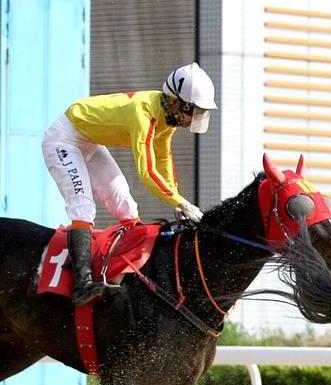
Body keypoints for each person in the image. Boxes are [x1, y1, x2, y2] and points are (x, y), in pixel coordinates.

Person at [41, 63, 217, 307]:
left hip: (89, 141)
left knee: (126, 205)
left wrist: (176, 199)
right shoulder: (143, 113)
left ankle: (130, 274)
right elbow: (147, 173)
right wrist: (182, 202)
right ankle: (81, 284)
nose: (193, 118)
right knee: (83, 207)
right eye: (193, 111)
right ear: (176, 102)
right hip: (64, 139)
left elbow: (163, 159)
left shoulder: (167, 119)